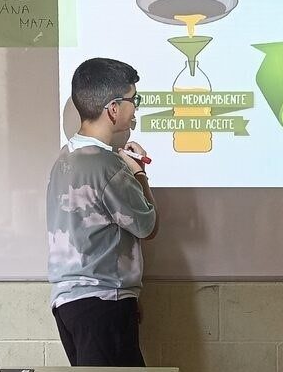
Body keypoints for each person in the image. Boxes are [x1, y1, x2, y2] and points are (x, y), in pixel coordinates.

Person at [46, 57, 160, 366]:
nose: (135, 110)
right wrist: (139, 173)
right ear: (113, 108)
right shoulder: (108, 165)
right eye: (134, 100)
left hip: (69, 303)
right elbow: (148, 225)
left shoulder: (65, 157)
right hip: (103, 301)